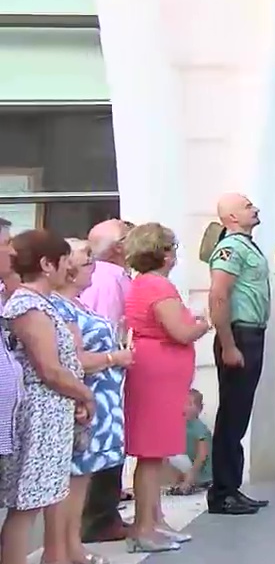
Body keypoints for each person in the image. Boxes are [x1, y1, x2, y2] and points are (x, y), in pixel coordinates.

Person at [0, 230, 94, 564]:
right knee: (26, 504)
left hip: (53, 412)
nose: (69, 270)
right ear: (46, 264)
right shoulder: (28, 305)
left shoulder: (42, 303)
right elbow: (49, 369)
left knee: (40, 497)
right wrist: (86, 395)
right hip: (38, 414)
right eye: (65, 262)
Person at [122, 223, 210, 551]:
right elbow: (181, 332)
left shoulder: (145, 283)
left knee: (155, 453)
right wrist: (205, 323)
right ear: (162, 252)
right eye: (171, 248)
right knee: (150, 453)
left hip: (158, 371)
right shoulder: (157, 287)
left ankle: (155, 521)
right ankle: (144, 528)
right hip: (156, 373)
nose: (175, 255)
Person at [46, 239, 131, 564]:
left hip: (102, 397)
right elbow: (72, 359)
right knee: (71, 476)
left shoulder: (80, 305)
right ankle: (63, 549)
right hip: (82, 397)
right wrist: (114, 357)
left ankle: (73, 547)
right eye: (87, 262)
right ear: (67, 268)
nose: (94, 268)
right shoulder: (59, 307)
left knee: (84, 475)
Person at [206, 193, 271, 515]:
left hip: (251, 333)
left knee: (239, 414)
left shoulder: (247, 246)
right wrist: (228, 344)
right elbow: (219, 295)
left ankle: (231, 487)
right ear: (231, 218)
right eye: (247, 206)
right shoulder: (230, 249)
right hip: (240, 334)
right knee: (232, 415)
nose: (255, 208)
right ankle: (222, 493)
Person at [77, 219, 132, 544]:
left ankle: (104, 513)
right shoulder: (107, 279)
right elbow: (107, 329)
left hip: (106, 375)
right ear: (119, 246)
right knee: (103, 448)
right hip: (101, 377)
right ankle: (100, 518)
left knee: (107, 448)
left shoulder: (111, 276)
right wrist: (117, 358)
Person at [168, 389, 212, 495]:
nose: (184, 407)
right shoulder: (180, 426)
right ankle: (179, 482)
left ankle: (189, 483)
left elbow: (202, 455)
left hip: (202, 472)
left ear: (199, 408)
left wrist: (191, 476)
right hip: (189, 465)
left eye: (189, 404)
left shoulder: (199, 428)